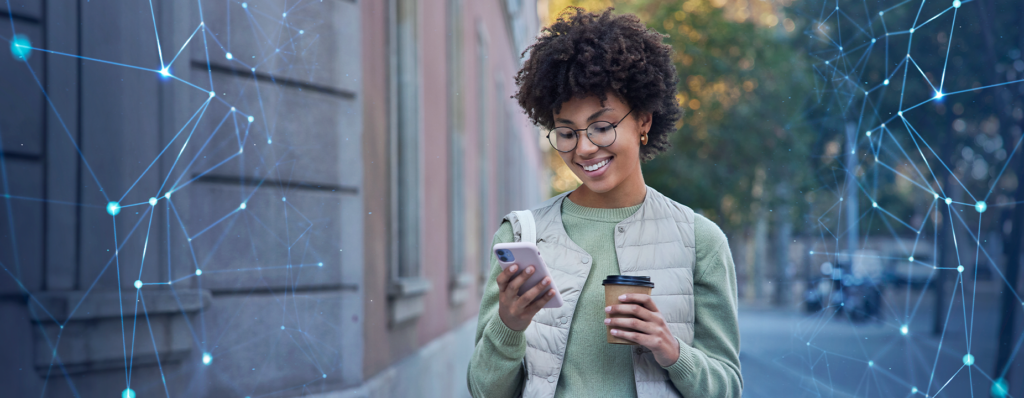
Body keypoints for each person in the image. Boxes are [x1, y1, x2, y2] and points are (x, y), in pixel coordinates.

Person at [467, 7, 742, 398]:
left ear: (643, 121)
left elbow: (728, 388)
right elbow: (483, 391)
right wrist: (508, 326)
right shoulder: (522, 235)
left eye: (601, 126)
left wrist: (670, 350)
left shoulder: (701, 241)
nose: (583, 148)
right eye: (566, 132)